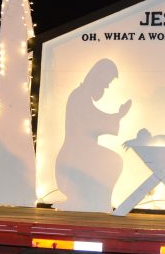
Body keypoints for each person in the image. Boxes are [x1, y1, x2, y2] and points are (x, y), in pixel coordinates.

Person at [55, 58, 132, 212]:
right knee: (112, 161)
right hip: (75, 156)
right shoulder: (78, 97)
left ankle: (100, 202)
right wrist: (117, 116)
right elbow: (90, 122)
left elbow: (95, 118)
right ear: (99, 76)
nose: (107, 85)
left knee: (112, 161)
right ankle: (96, 202)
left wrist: (118, 115)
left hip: (84, 153)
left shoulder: (82, 97)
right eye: (107, 80)